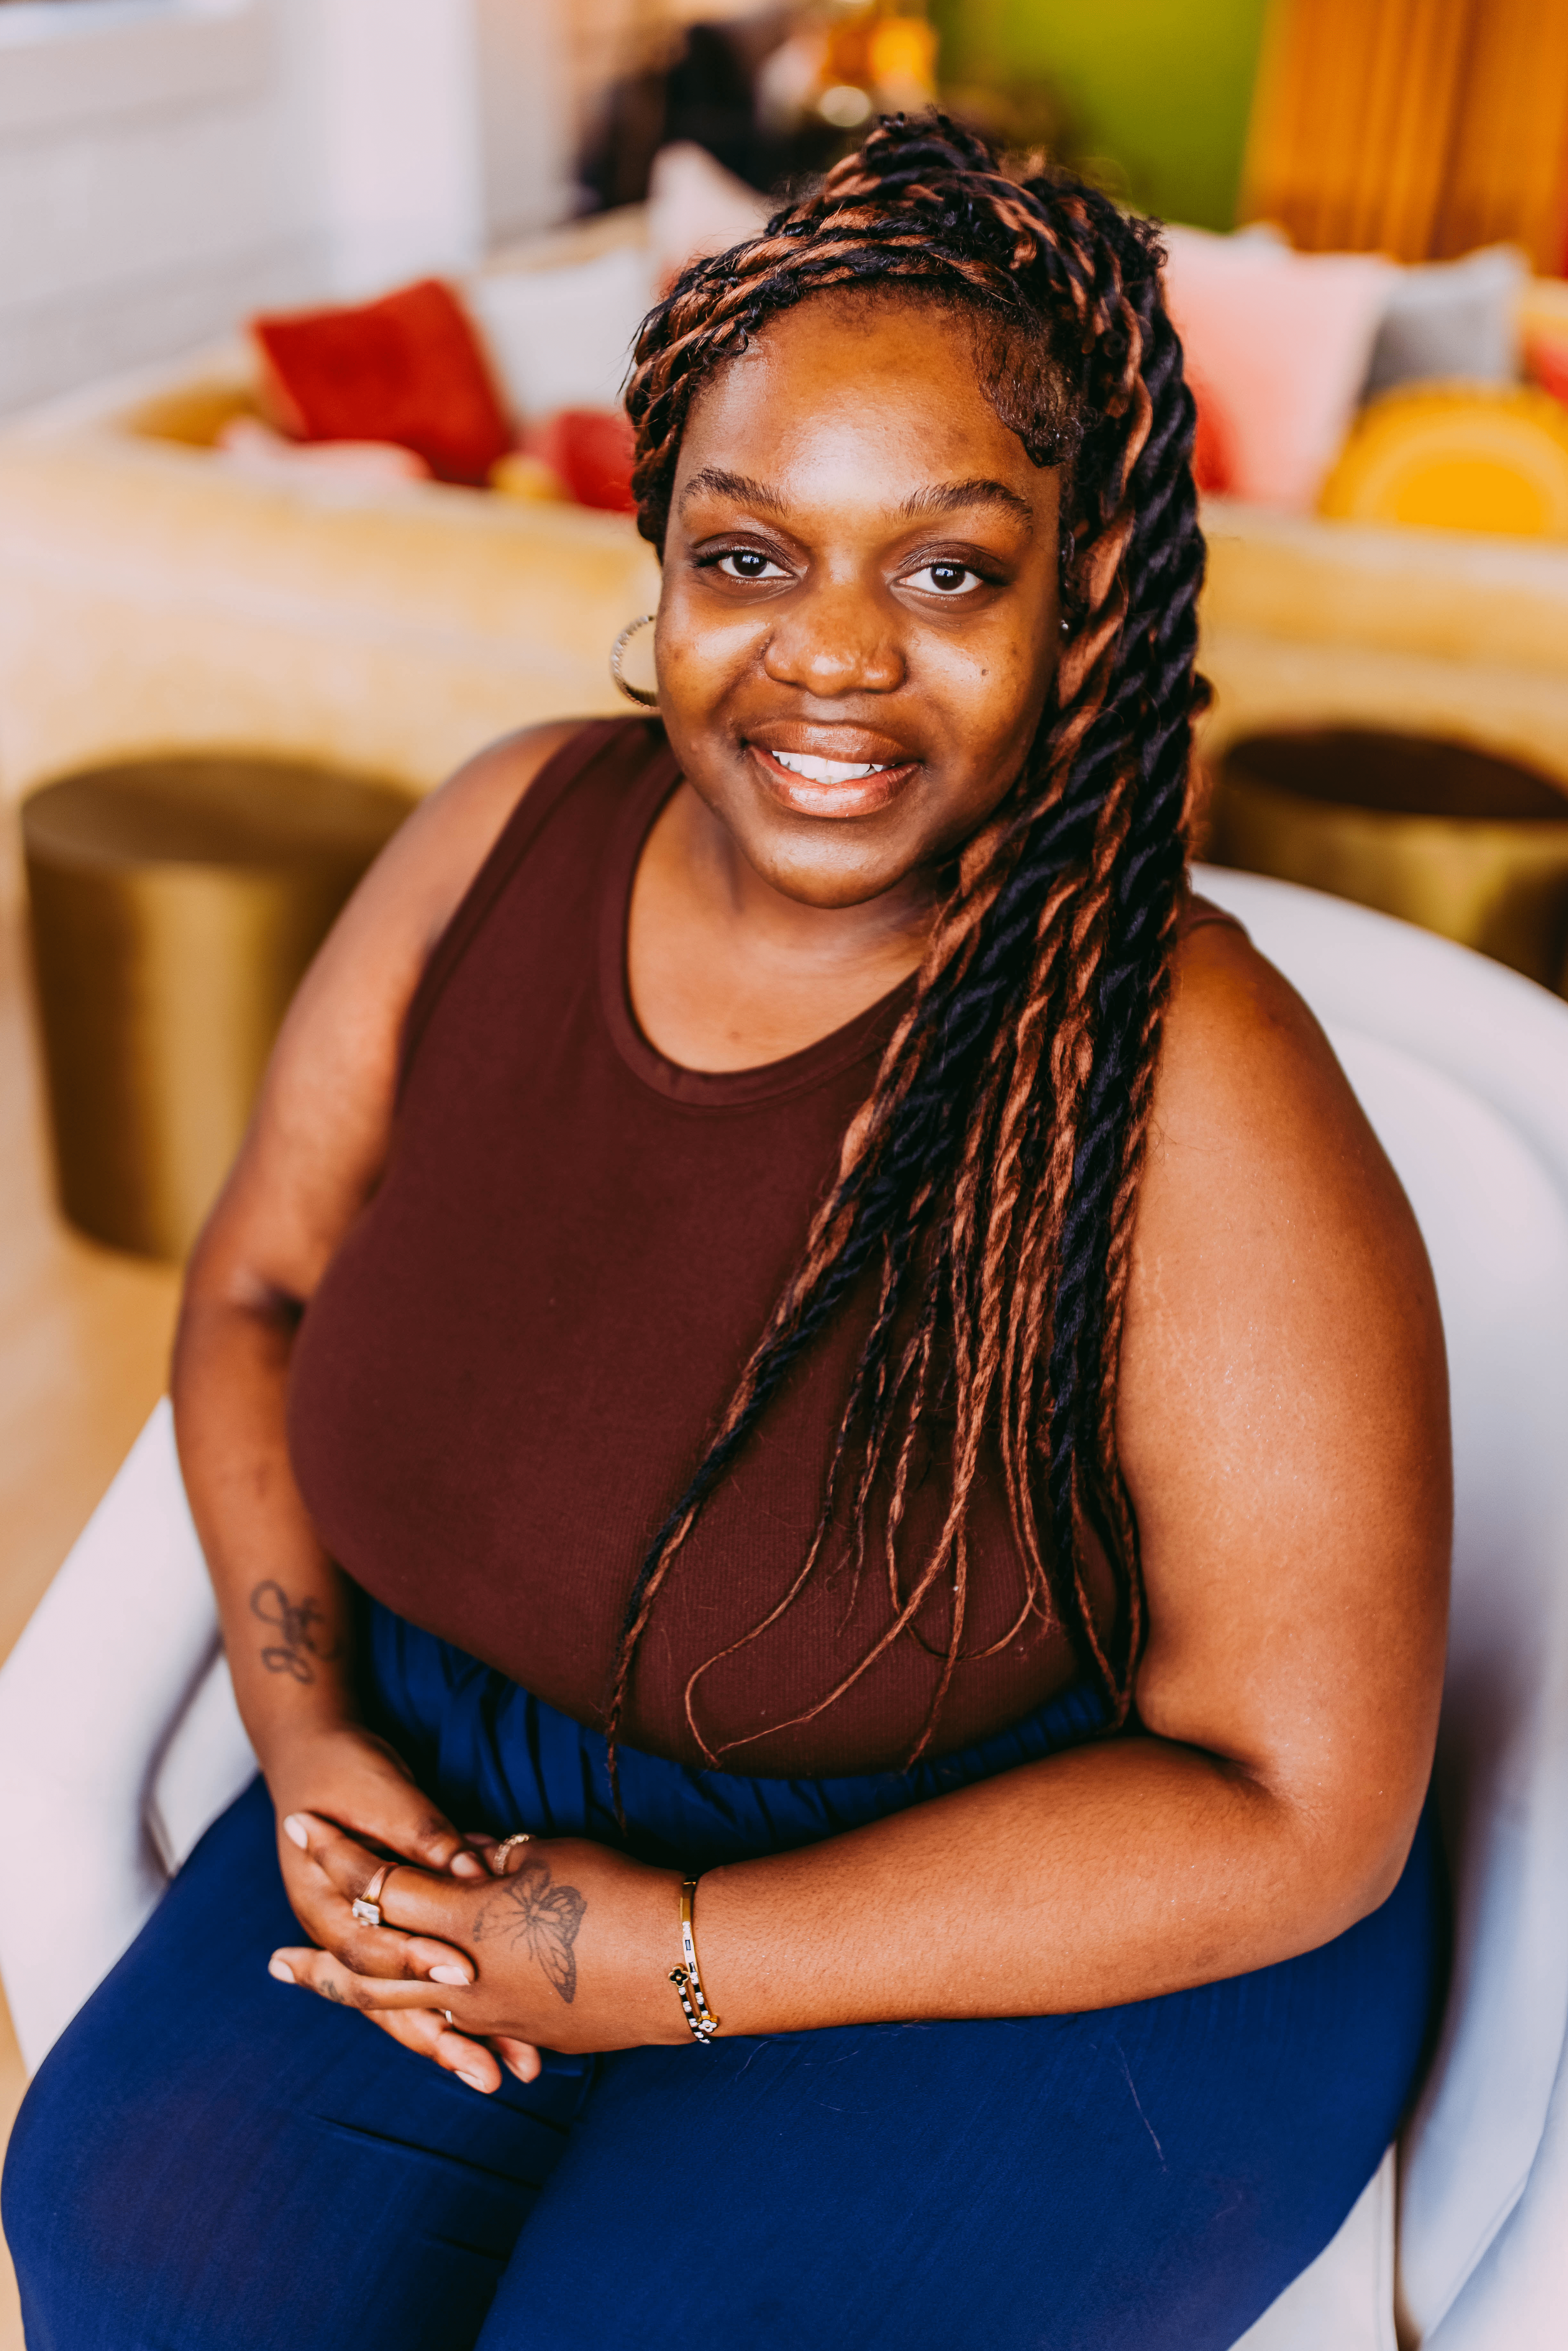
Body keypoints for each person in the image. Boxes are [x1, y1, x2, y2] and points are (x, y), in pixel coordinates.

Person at [3, 117, 1449, 2351]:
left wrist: (670, 1959)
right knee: (143, 2259)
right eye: (749, 553)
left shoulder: (1189, 1074)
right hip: (472, 1779)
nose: (829, 658)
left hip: (1049, 1908)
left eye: (946, 572)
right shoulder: (501, 831)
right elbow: (262, 1287)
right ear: (660, 553)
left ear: (1084, 598)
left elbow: (1292, 1801)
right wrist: (314, 1746)